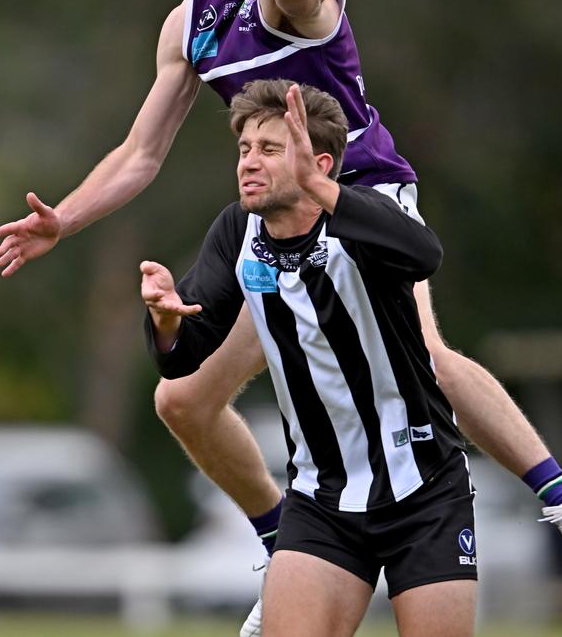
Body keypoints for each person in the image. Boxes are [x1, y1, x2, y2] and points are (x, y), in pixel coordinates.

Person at [0, 0, 562, 636]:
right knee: (182, 397)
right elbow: (142, 151)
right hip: (275, 223)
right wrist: (65, 219)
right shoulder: (188, 17)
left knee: (426, 356)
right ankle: (279, 544)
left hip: (359, 203)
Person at [142, 79, 477, 637]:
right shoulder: (236, 232)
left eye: (270, 150)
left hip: (424, 490)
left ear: (319, 163)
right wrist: (167, 321)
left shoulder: (365, 218)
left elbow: (425, 253)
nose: (249, 162)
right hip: (322, 499)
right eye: (245, 149)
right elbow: (182, 362)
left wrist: (324, 191)